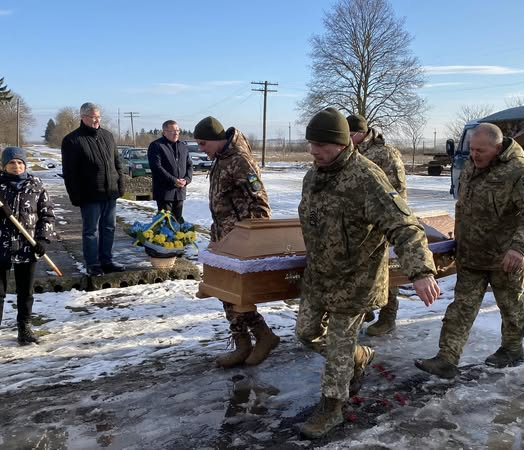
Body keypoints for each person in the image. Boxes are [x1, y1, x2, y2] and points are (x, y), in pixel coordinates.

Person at [296, 107, 440, 438]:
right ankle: (361, 357)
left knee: (338, 344)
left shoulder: (367, 179)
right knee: (306, 333)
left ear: (343, 145)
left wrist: (420, 271)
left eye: (322, 145)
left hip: (357, 278)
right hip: (320, 276)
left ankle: (331, 409)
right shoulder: (313, 176)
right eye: (310, 144)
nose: (314, 152)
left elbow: (406, 227)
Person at [415, 123, 524, 379]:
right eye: (472, 149)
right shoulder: (471, 167)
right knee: (461, 308)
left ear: (498, 148)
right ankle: (446, 358)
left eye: (481, 150)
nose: (475, 155)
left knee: (510, 307)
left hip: (505, 258)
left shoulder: (519, 173)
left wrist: (519, 247)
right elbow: (465, 207)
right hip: (472, 256)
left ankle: (512, 349)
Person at [193, 116, 279, 368]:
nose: (201, 149)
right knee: (225, 291)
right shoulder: (222, 159)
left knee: (238, 294)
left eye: (202, 144)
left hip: (241, 242)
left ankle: (262, 336)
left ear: (216, 140)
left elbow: (260, 203)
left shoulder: (240, 161)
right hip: (224, 238)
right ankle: (244, 343)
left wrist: (256, 241)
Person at [346, 113, 407, 336]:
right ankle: (366, 309)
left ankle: (388, 317)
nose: (347, 138)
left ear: (362, 133)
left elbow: (397, 192)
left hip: (383, 222)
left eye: (351, 134)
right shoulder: (350, 152)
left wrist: (390, 221)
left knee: (387, 271)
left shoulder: (385, 153)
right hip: (359, 225)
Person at [61, 102, 125, 277]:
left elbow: (117, 163)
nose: (96, 120)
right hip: (89, 194)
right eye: (93, 117)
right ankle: (93, 264)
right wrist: (75, 196)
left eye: (98, 116)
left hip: (110, 192)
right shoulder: (72, 140)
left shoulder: (108, 136)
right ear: (83, 118)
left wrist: (120, 185)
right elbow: (70, 172)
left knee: (109, 228)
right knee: (91, 231)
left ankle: (107, 260)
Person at [0, 147, 54, 344]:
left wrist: (42, 240)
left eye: (20, 163)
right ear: (4, 165)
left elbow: (47, 214)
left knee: (25, 292)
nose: (16, 167)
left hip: (27, 245)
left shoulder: (36, 185)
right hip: (1, 246)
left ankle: (24, 328)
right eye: (12, 163)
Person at [147, 120, 193, 222]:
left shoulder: (183, 146)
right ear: (164, 132)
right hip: (165, 192)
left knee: (178, 223)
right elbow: (156, 167)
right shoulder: (156, 146)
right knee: (165, 224)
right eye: (172, 131)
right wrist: (173, 180)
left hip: (180, 191)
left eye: (177, 130)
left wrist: (186, 180)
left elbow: (189, 165)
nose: (176, 133)